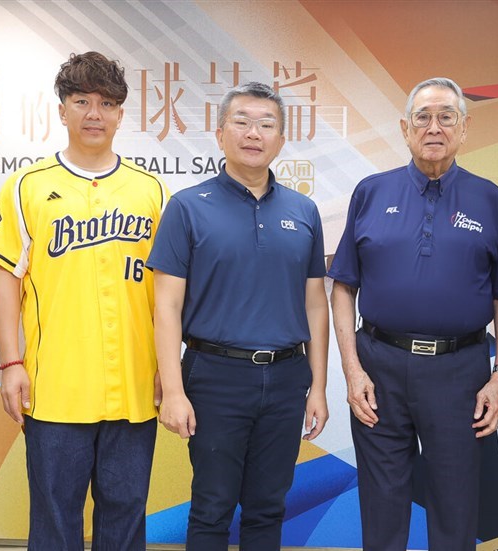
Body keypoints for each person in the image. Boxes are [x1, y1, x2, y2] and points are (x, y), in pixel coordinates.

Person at [328, 77, 498, 551]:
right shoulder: (371, 192)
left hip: (460, 373)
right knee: (382, 508)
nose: (434, 127)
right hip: (378, 369)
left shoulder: (491, 199)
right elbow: (343, 288)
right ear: (405, 128)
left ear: (464, 129)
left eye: (447, 117)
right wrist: (352, 369)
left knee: (456, 510)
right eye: (423, 117)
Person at [0, 52, 169, 550]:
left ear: (120, 115)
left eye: (106, 103)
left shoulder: (151, 190)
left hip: (132, 386)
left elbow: (168, 291)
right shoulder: (28, 186)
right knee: (55, 519)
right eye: (81, 100)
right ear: (61, 109)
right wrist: (10, 362)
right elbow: (5, 279)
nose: (94, 113)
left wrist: (167, 367)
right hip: (54, 387)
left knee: (125, 516)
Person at [147, 81, 329, 551]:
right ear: (220, 132)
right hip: (214, 377)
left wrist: (319, 387)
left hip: (288, 377)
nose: (254, 133)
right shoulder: (188, 207)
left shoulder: (303, 210)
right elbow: (165, 305)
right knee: (212, 508)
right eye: (242, 122)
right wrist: (173, 390)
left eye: (267, 124)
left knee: (269, 509)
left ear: (281, 138)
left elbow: (315, 303)